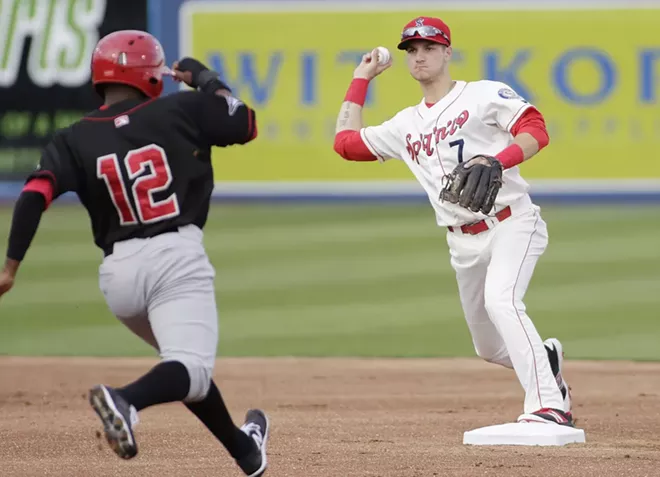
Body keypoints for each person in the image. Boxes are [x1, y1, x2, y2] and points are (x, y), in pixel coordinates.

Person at [0, 30, 270, 474]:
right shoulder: (182, 108)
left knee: (182, 365)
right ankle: (125, 401)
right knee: (191, 369)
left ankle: (245, 451)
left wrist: (10, 267)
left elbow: (33, 195)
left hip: (118, 278)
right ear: (152, 75)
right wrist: (204, 78)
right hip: (175, 259)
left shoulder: (72, 139)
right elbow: (246, 123)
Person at [333, 16, 573, 426]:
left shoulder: (482, 95)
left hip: (512, 221)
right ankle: (546, 358)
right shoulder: (405, 124)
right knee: (489, 347)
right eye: (412, 50)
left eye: (429, 48)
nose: (419, 56)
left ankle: (549, 406)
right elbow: (346, 144)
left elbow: (536, 129)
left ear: (447, 52)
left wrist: (499, 160)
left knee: (503, 301)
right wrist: (361, 78)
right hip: (461, 242)